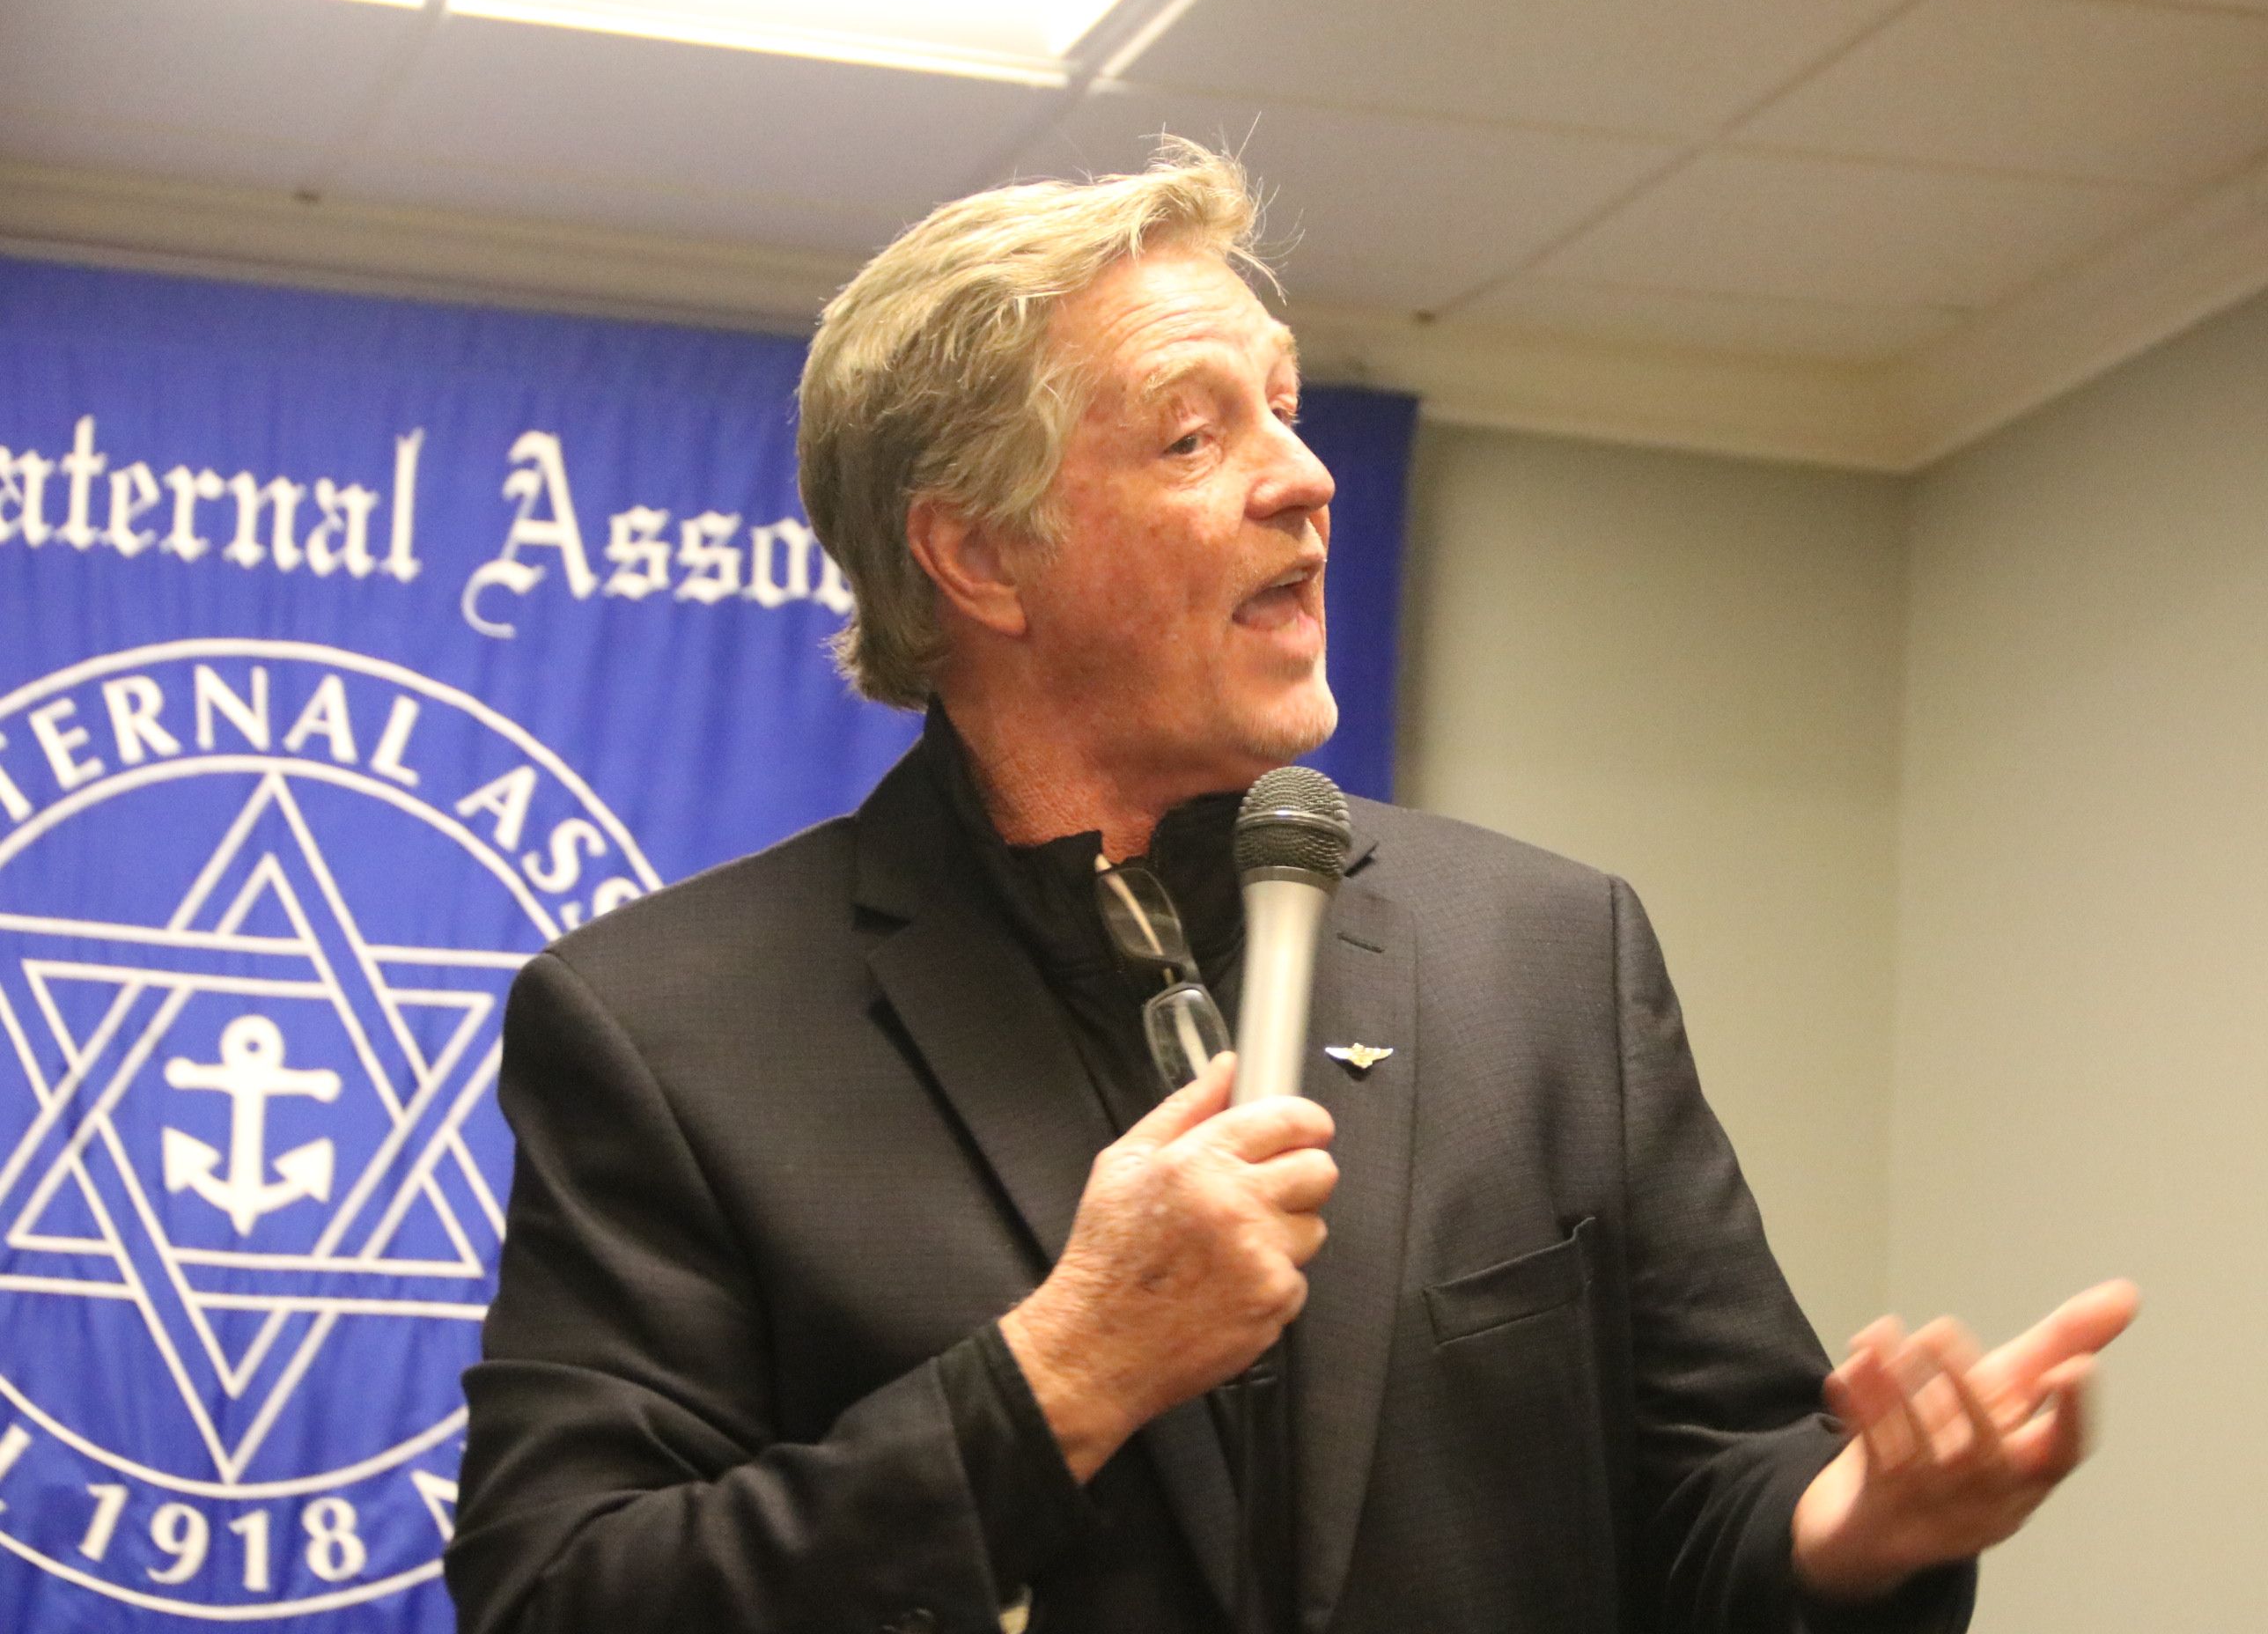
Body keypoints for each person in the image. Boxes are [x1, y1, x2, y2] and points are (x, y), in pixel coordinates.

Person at [444, 142, 2136, 1634]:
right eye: (1195, 434)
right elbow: (562, 1597)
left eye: (1288, 408)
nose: (1304, 478)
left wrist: (1859, 1527)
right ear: (977, 556)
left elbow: (1719, 1488)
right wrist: (1059, 1375)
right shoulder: (673, 1031)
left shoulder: (1544, 956)